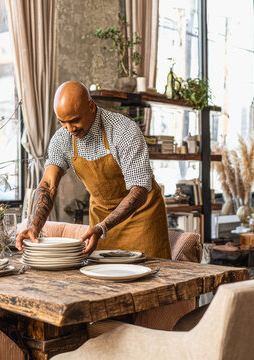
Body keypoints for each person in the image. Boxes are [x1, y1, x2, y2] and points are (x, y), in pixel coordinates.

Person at [15, 80, 171, 258]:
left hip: (142, 218)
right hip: (99, 222)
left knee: (148, 277)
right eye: (62, 122)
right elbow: (49, 184)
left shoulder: (124, 131)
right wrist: (34, 225)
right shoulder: (62, 138)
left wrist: (102, 227)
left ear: (91, 106)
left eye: (75, 120)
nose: (70, 129)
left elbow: (139, 190)